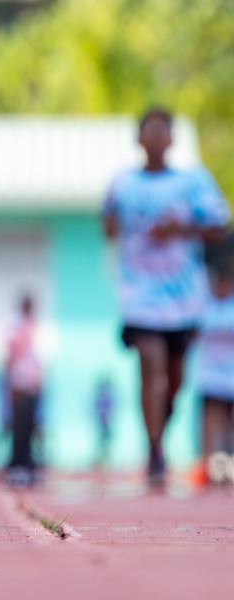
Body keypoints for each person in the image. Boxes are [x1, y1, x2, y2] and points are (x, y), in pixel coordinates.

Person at [102, 106, 230, 484]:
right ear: (139, 139)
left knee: (175, 378)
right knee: (150, 364)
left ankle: (161, 423)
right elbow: (108, 224)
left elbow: (219, 227)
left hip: (183, 297)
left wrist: (182, 228)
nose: (156, 138)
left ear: (172, 139)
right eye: (149, 131)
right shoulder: (122, 184)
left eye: (163, 131)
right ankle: (155, 452)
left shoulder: (194, 182)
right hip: (139, 294)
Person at [195, 252, 234, 486]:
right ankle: (209, 465)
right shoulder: (205, 305)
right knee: (210, 420)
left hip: (231, 375)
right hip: (210, 376)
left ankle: (228, 466)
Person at [2, 295, 44, 486]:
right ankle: (17, 465)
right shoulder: (17, 327)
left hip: (31, 384)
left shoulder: (33, 328)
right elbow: (11, 357)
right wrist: (10, 383)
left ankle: (27, 464)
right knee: (19, 427)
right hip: (19, 383)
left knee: (29, 427)